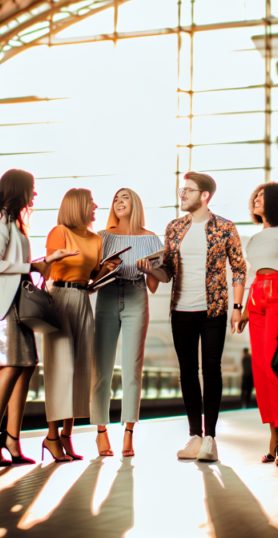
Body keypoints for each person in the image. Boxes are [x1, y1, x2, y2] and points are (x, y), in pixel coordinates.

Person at [138, 171, 246, 463]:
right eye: (181, 189)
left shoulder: (225, 227)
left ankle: (210, 438)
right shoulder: (174, 228)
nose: (181, 194)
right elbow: (167, 271)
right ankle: (194, 436)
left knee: (211, 369)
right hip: (180, 311)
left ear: (205, 195)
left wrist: (238, 309)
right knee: (187, 372)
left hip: (213, 309)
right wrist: (150, 270)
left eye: (188, 190)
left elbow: (238, 268)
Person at [0, 169, 76, 467]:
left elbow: (17, 264)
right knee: (12, 367)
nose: (35, 194)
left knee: (27, 367)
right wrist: (31, 266)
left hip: (17, 302)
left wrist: (44, 264)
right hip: (2, 306)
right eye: (32, 188)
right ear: (19, 189)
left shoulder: (15, 220)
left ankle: (12, 440)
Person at [41, 188, 120, 461]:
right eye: (90, 202)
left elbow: (91, 279)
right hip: (59, 299)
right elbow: (48, 271)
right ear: (77, 206)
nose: (95, 205)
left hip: (83, 300)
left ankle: (66, 436)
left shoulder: (96, 239)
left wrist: (106, 270)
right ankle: (51, 437)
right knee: (59, 369)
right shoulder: (59, 232)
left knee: (79, 372)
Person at [236, 182, 278, 467]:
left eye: (262, 197)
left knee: (276, 368)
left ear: (277, 202)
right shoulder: (254, 238)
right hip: (256, 299)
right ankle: (274, 433)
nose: (256, 199)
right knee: (260, 370)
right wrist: (242, 311)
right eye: (255, 196)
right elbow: (252, 272)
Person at [91, 188, 162, 458]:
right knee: (102, 369)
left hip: (136, 296)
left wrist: (150, 269)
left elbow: (154, 284)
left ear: (136, 204)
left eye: (126, 198)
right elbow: (93, 280)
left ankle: (129, 432)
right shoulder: (103, 237)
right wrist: (104, 269)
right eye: (116, 199)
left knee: (132, 370)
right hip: (107, 297)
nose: (120, 202)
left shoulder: (151, 239)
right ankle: (100, 432)